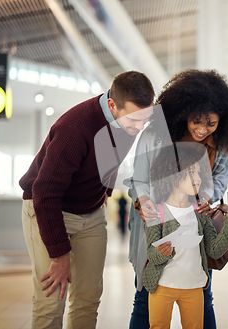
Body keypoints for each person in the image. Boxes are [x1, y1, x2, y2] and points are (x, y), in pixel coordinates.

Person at [19, 71, 155, 329]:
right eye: (134, 120)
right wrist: (59, 255)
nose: (139, 128)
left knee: (88, 298)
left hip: (90, 214)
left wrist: (105, 190)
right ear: (112, 105)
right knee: (52, 300)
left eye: (144, 120)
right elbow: (45, 193)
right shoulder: (74, 128)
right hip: (49, 209)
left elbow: (112, 156)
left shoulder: (130, 120)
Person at [127, 69, 228, 328]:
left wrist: (204, 196)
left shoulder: (222, 143)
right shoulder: (155, 134)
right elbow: (138, 179)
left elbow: (220, 181)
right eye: (197, 121)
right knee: (145, 294)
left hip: (195, 223)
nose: (203, 129)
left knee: (202, 294)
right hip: (153, 220)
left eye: (211, 123)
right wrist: (146, 201)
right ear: (183, 114)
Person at [143, 143, 228, 329]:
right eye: (191, 173)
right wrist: (162, 252)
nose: (197, 178)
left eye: (198, 173)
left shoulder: (201, 213)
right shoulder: (157, 213)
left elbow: (214, 249)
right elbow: (151, 254)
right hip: (162, 286)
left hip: (194, 287)